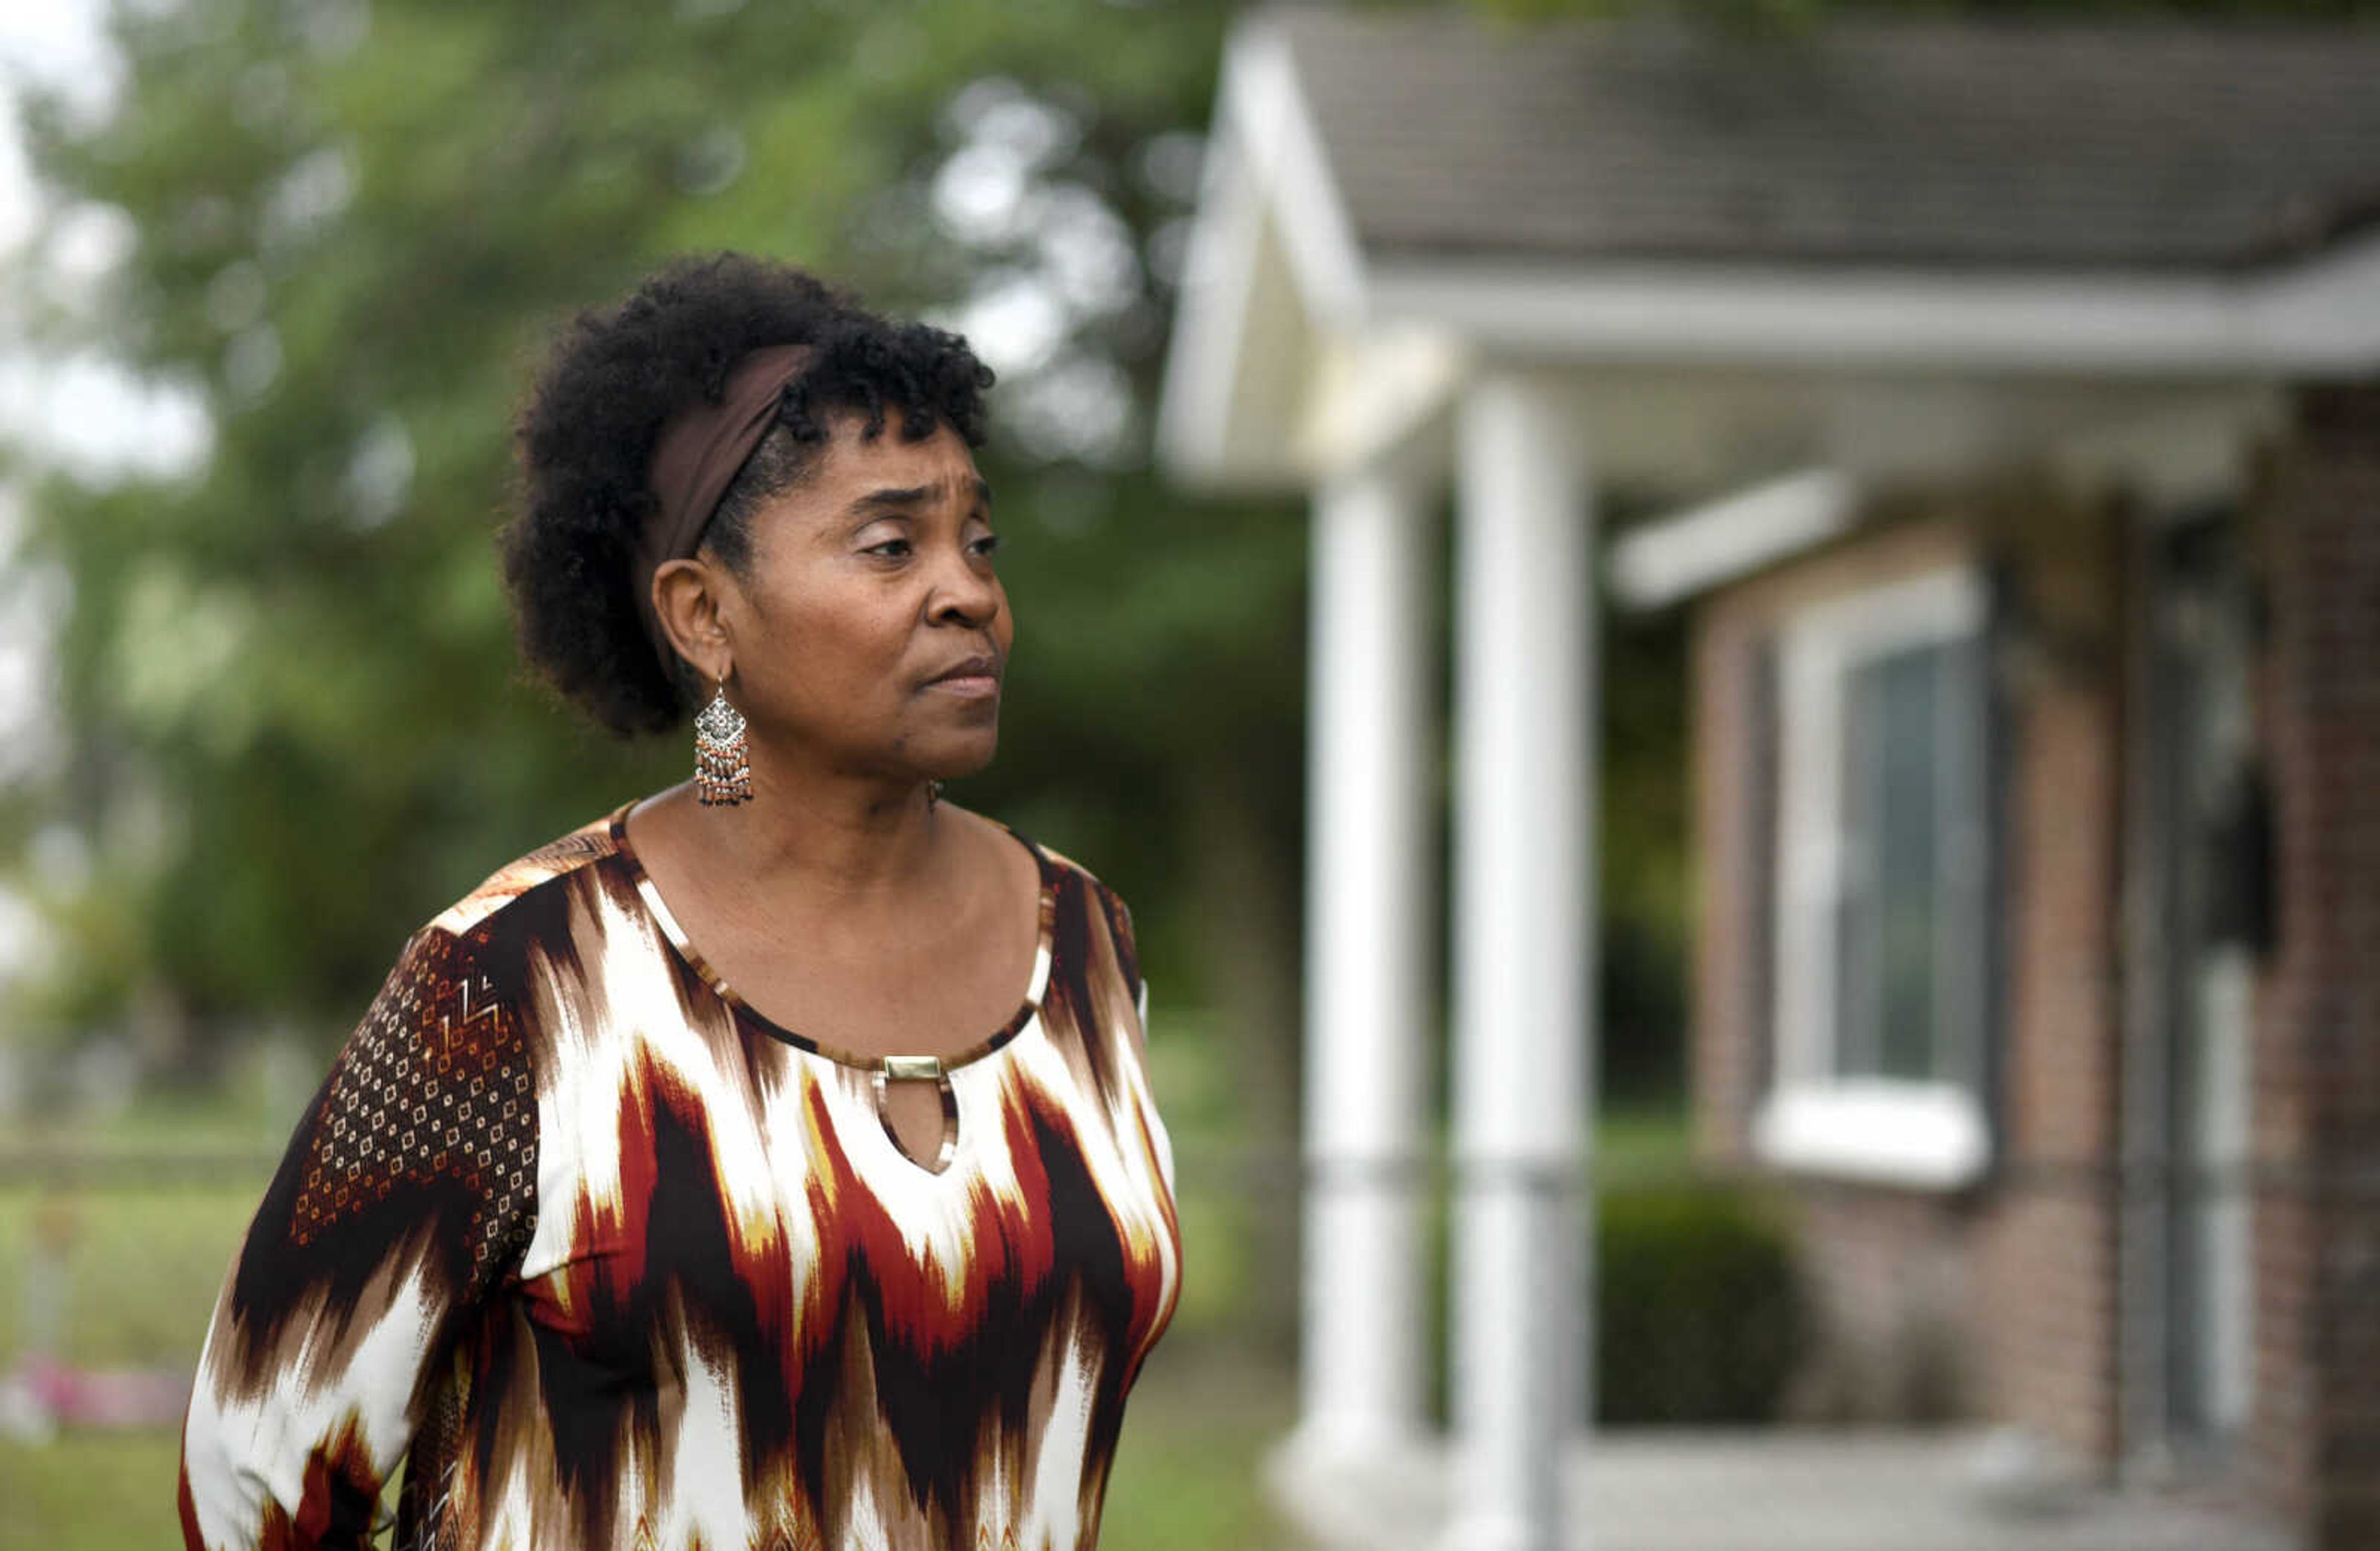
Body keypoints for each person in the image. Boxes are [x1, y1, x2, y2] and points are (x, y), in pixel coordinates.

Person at [176, 253, 1182, 1551]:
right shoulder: (513, 981)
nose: (970, 591)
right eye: (892, 545)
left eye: (978, 540)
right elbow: (253, 1477)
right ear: (705, 617)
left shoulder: (1089, 948)